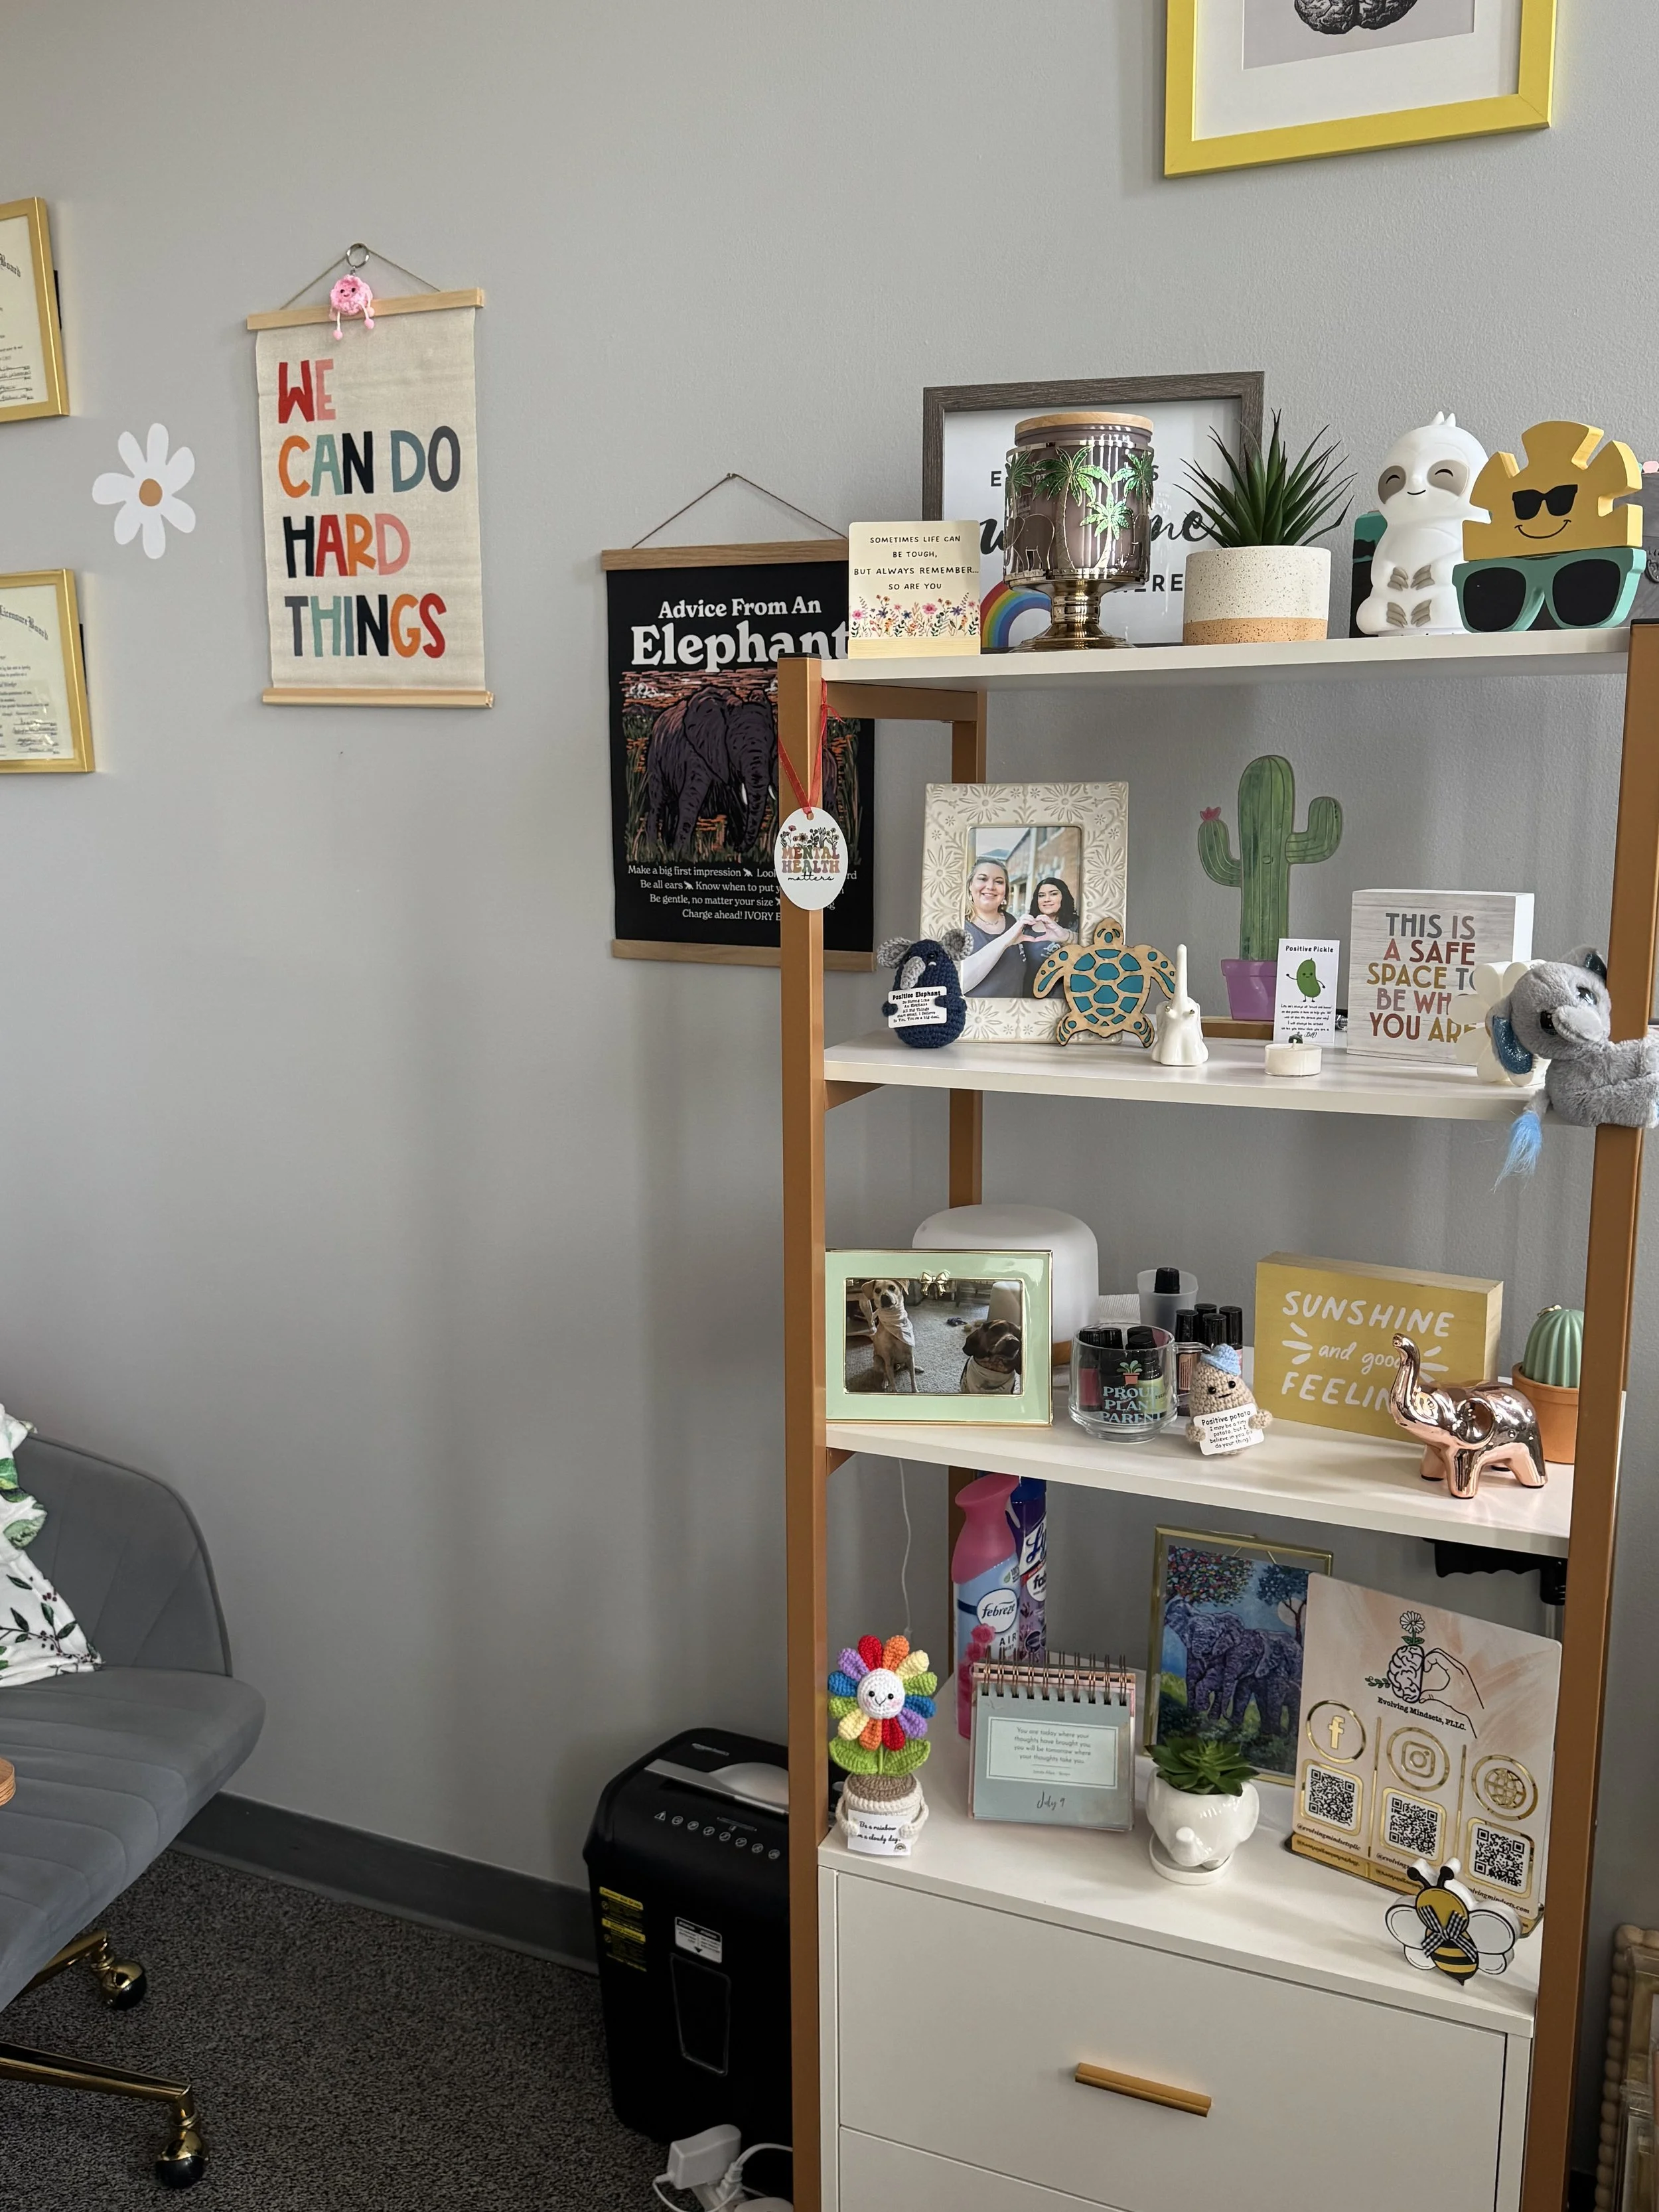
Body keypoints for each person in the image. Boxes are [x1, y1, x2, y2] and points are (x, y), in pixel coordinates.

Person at [957, 857, 1037, 997]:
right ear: (970, 886)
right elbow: (957, 984)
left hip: (1014, 1016)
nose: (991, 887)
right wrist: (1006, 940)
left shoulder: (1013, 922)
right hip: (974, 1017)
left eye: (999, 882)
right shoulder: (958, 926)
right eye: (983, 879)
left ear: (1005, 891)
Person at [1019, 875, 1080, 994]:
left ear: (1064, 897)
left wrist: (1067, 937)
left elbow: (1090, 949)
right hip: (1031, 994)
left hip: (1066, 995)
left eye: (1053, 894)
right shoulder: (1026, 927)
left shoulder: (1077, 924)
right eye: (1041, 895)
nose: (1047, 899)